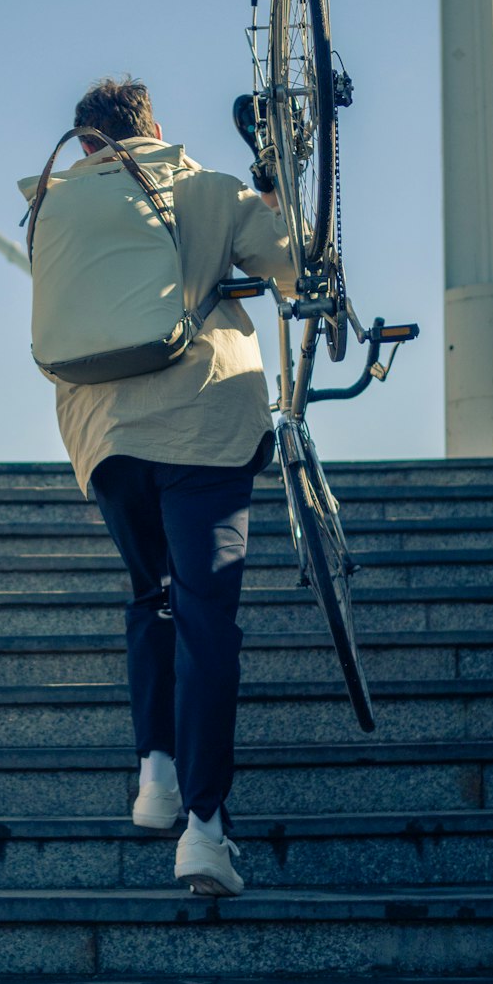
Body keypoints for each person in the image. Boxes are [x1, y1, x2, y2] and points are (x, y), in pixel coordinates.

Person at [45, 76, 294, 896]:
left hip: (105, 438)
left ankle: (155, 773)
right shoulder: (204, 190)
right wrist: (271, 189)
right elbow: (290, 263)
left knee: (150, 592)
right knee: (206, 613)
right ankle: (205, 829)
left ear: (87, 143)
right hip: (201, 429)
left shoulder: (55, 208)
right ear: (153, 128)